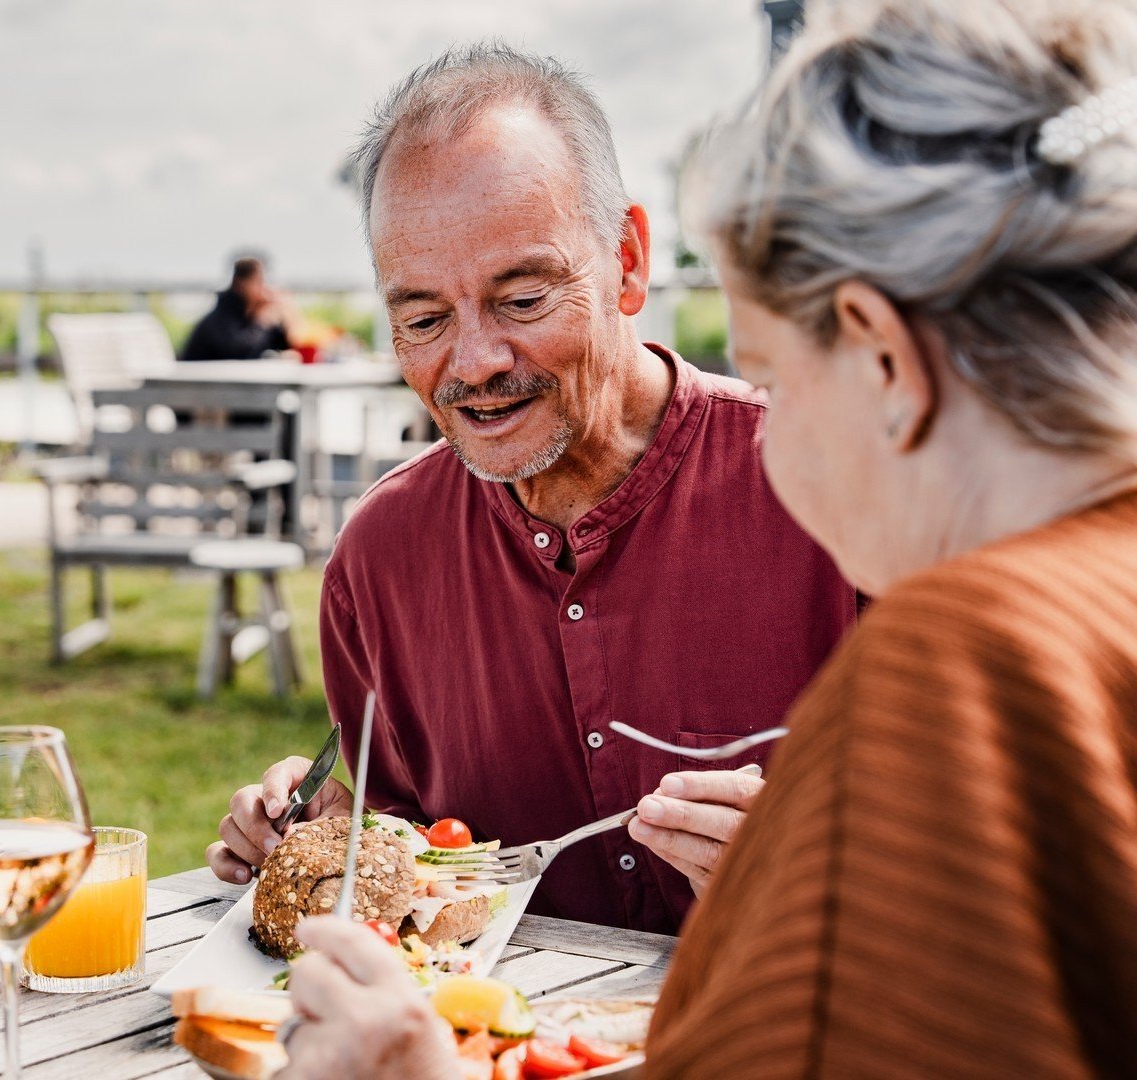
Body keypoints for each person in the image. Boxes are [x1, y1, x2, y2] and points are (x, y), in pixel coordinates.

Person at [278, 1, 1137, 1076]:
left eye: (770, 376)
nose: (763, 431)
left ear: (882, 360)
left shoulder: (961, 651)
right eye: (423, 317)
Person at [208, 44, 858, 937]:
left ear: (628, 260)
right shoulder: (379, 562)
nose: (474, 362)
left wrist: (831, 870)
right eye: (424, 318)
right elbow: (415, 859)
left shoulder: (839, 493)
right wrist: (338, 843)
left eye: (522, 300)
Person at [179, 256, 293, 360]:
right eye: (259, 282)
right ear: (242, 284)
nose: (265, 289)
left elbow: (284, 344)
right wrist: (262, 323)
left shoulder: (250, 316)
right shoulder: (220, 319)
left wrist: (286, 316)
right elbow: (238, 354)